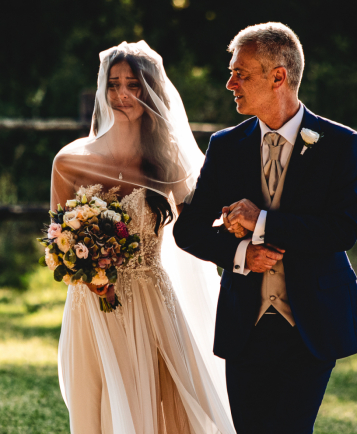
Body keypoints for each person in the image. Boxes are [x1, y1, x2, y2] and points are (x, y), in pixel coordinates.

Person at [173, 22, 357, 433]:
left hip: (311, 324)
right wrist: (242, 253)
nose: (230, 83)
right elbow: (188, 229)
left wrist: (261, 221)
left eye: (240, 73)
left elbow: (342, 230)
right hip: (244, 324)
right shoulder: (226, 146)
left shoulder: (340, 143)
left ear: (278, 76)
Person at [51, 41, 236, 434]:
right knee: (101, 402)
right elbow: (57, 238)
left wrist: (241, 234)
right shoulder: (70, 162)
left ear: (151, 90)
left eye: (133, 84)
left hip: (152, 298)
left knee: (168, 403)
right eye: (113, 84)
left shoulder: (169, 163)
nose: (122, 95)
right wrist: (89, 274)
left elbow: (197, 229)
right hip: (92, 305)